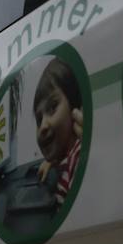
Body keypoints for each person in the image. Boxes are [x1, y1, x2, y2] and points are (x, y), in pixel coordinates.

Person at [33, 59, 84, 206]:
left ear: (74, 109)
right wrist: (54, 163)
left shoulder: (79, 157)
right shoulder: (68, 160)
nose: (42, 126)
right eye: (38, 119)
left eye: (52, 107)